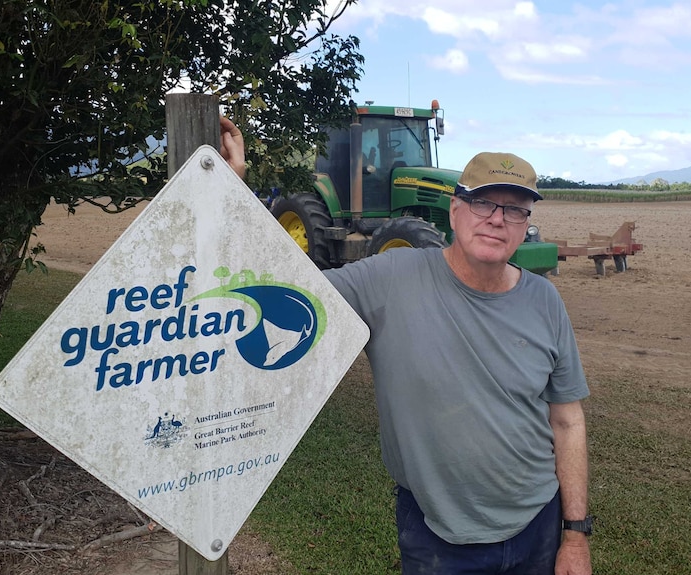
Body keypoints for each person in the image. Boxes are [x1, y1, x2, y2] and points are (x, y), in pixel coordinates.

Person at [219, 120, 592, 575]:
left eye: (515, 210)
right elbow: (285, 292)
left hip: (540, 525)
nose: (497, 218)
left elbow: (567, 419)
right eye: (483, 203)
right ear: (455, 210)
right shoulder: (390, 278)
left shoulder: (544, 301)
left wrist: (574, 532)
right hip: (439, 538)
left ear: (525, 225)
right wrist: (228, 191)